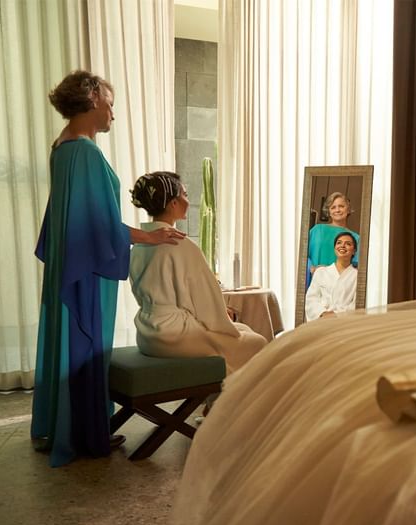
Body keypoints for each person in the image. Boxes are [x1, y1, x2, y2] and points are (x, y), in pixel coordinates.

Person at [32, 70, 186, 467]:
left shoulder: (62, 146)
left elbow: (72, 216)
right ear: (93, 100)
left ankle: (70, 425)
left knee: (74, 344)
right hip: (86, 267)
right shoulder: (84, 151)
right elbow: (97, 222)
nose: (113, 113)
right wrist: (152, 236)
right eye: (111, 104)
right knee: (86, 344)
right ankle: (84, 433)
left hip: (75, 261)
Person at [129, 171, 267, 373]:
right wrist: (224, 319)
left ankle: (213, 399)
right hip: (174, 335)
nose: (188, 200)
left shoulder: (139, 246)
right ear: (172, 204)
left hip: (146, 334)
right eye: (184, 194)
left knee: (242, 331)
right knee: (257, 342)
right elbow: (204, 300)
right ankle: (231, 400)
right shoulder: (180, 244)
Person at [306, 192, 360, 288]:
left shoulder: (356, 238)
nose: (337, 210)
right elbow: (302, 255)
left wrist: (329, 271)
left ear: (348, 209)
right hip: (313, 280)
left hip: (340, 285)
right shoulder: (317, 230)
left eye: (341, 206)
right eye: (333, 207)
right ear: (329, 212)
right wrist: (311, 268)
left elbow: (355, 267)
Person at [305, 231, 358, 320]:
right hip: (320, 321)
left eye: (348, 244)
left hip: (344, 323)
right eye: (339, 243)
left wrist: (336, 315)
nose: (342, 246)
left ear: (354, 251)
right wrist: (323, 313)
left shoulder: (357, 276)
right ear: (334, 248)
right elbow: (311, 299)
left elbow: (356, 304)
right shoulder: (321, 272)